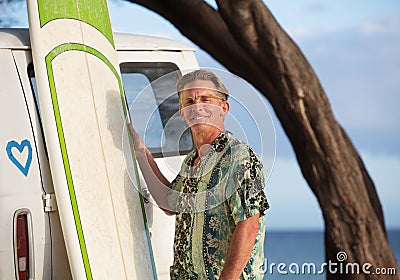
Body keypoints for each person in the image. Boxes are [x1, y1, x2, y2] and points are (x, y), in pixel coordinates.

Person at [129, 70, 269, 279]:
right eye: (189, 101)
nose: (197, 106)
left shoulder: (240, 158)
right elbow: (169, 203)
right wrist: (141, 152)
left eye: (205, 99)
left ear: (224, 108)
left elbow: (248, 225)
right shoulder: (191, 162)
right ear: (182, 112)